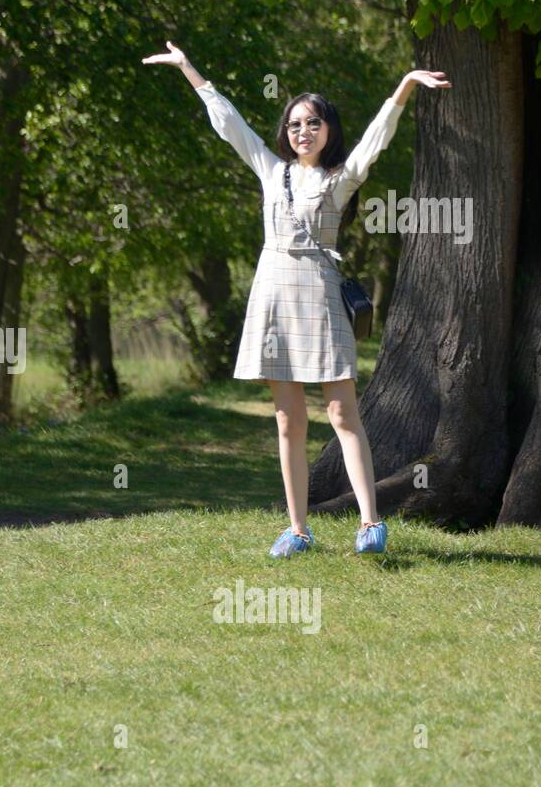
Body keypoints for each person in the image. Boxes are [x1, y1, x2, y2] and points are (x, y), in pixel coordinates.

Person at [142, 41, 450, 558]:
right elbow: (230, 124)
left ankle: (370, 525)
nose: (302, 132)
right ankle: (298, 529)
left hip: (321, 294)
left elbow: (377, 141)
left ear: (328, 130)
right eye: (294, 125)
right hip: (273, 295)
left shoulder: (340, 178)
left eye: (312, 123)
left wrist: (405, 86)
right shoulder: (270, 170)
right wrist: (188, 70)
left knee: (341, 412)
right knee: (288, 420)